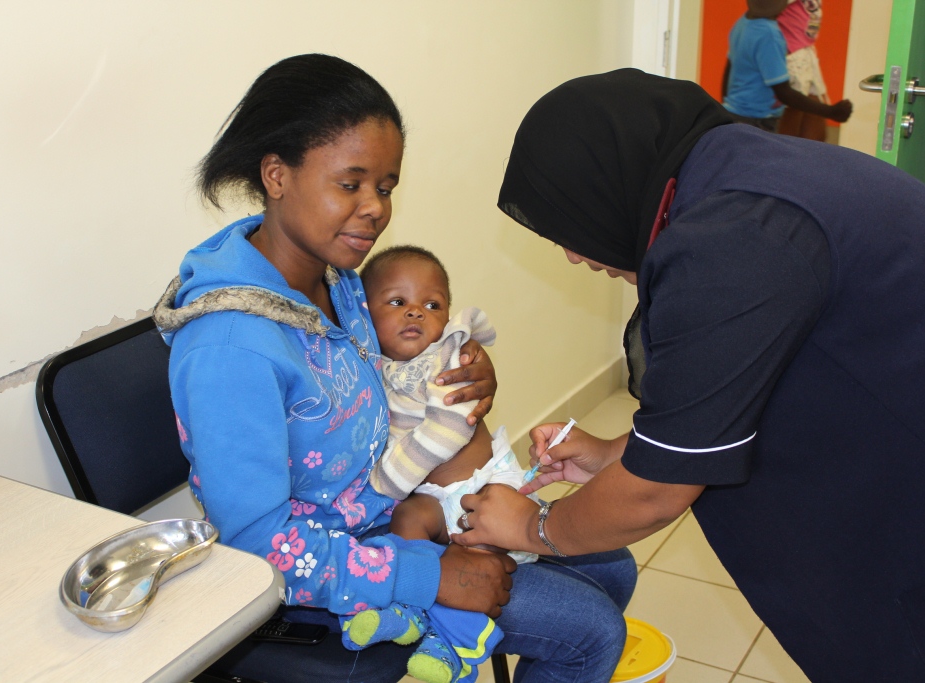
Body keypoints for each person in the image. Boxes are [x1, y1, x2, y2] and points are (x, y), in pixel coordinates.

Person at [153, 54, 636, 683]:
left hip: (402, 506)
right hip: (333, 562)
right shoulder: (230, 348)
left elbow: (385, 364)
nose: (376, 208)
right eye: (350, 184)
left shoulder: (339, 281)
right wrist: (429, 572)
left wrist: (464, 372)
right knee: (592, 632)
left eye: (385, 186)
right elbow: (256, 545)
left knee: (613, 566)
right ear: (277, 175)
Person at [452, 68, 925, 681]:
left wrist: (532, 525)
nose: (573, 254)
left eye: (569, 225)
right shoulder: (743, 173)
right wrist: (612, 454)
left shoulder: (735, 241)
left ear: (610, 182)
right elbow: (738, 393)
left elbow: (656, 493)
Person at [345, 245, 540, 682]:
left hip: (484, 490)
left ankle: (457, 643)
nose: (415, 313)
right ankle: (408, 611)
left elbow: (448, 430)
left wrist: (385, 483)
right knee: (410, 517)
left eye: (431, 305)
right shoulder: (373, 365)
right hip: (434, 498)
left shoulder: (446, 360)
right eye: (398, 302)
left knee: (480, 557)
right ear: (364, 315)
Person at [722, 0, 850, 132]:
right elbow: (784, 92)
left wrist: (724, 112)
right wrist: (831, 112)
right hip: (756, 122)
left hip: (735, 114)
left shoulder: (741, 24)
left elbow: (728, 71)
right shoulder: (769, 34)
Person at [775, 0, 832, 140]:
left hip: (805, 56)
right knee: (790, 124)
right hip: (789, 58)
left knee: (815, 115)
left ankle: (812, 160)